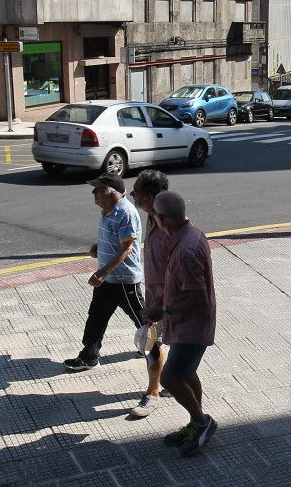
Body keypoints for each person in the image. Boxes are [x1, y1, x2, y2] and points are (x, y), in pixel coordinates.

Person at [145, 191, 217, 457]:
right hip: (186, 322)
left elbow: (198, 299)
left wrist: (162, 310)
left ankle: (201, 422)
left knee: (171, 377)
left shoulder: (186, 250)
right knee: (186, 372)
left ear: (162, 218)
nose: (152, 218)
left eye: (153, 214)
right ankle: (196, 422)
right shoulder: (188, 234)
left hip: (192, 325)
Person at [63, 173, 146, 372]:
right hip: (109, 279)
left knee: (143, 319)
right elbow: (115, 240)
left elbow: (126, 249)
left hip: (125, 279)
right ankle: (89, 356)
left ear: (111, 193)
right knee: (96, 317)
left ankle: (155, 349)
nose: (94, 192)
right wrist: (99, 247)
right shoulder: (108, 210)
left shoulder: (125, 212)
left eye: (98, 189)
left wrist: (102, 273)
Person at [125, 169, 172, 418]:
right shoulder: (152, 217)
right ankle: (173, 383)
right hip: (155, 294)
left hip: (168, 300)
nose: (133, 195)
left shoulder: (168, 223)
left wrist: (161, 304)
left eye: (137, 191)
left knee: (152, 343)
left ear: (152, 196)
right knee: (158, 342)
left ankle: (153, 393)